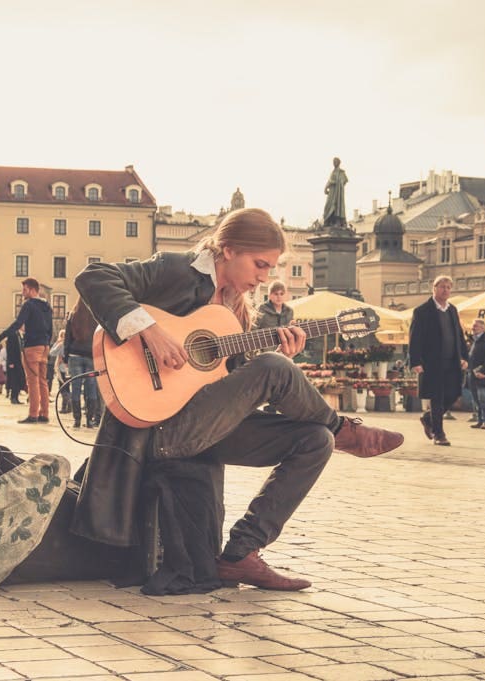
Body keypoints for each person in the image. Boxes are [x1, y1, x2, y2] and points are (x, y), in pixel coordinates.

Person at [73, 207, 403, 591]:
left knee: (315, 440)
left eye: (270, 269)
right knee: (272, 368)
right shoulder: (176, 270)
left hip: (202, 427)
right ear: (228, 250)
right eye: (260, 264)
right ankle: (347, 430)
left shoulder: (237, 312)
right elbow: (93, 276)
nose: (264, 277)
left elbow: (229, 385)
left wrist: (282, 358)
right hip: (157, 430)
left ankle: (241, 554)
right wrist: (150, 331)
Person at [408, 275, 467, 446]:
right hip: (432, 362)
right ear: (434, 288)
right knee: (437, 397)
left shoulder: (452, 310)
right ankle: (439, 434)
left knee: (454, 393)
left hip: (452, 361)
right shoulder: (422, 311)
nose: (445, 290)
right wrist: (416, 361)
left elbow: (459, 336)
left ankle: (428, 418)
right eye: (442, 287)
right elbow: (415, 338)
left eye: (448, 287)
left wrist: (464, 356)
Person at [0, 278, 53, 424]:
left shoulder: (29, 305)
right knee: (43, 381)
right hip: (44, 346)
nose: (22, 293)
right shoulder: (47, 306)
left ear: (32, 290)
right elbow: (51, 329)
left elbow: (18, 324)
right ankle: (44, 414)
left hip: (32, 346)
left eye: (24, 290)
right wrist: (46, 343)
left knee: (32, 381)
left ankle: (33, 415)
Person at [255, 280, 294, 413]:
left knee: (282, 380)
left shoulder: (289, 311)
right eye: (276, 293)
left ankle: (275, 408)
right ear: (270, 295)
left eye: (282, 294)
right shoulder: (261, 309)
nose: (279, 296)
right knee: (268, 381)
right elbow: (254, 329)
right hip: (265, 351)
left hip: (284, 350)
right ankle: (268, 409)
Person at [63, 300, 100, 429]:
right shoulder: (97, 313)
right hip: (91, 356)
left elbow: (67, 338)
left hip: (75, 355)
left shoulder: (73, 315)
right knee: (91, 388)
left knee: (76, 388)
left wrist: (65, 356)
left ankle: (77, 420)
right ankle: (90, 420)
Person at [467, 319, 485, 430]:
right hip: (472, 375)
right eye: (473, 326)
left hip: (483, 375)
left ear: (483, 328)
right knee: (475, 399)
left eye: (476, 326)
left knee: (483, 398)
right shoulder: (475, 341)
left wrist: (482, 371)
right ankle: (480, 420)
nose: (473, 328)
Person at [322, 157, 348, 228]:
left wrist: (339, 183)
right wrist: (326, 187)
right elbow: (329, 181)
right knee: (327, 206)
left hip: (338, 193)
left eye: (335, 162)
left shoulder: (341, 172)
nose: (334, 163)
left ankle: (337, 221)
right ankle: (329, 221)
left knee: (337, 206)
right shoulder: (333, 172)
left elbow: (345, 180)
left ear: (338, 163)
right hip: (332, 192)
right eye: (333, 162)